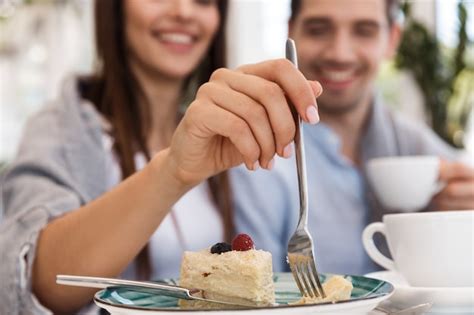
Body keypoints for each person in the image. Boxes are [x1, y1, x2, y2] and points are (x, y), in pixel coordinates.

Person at [0, 0, 322, 313]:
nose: (183, 11)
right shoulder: (60, 130)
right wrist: (173, 171)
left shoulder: (232, 135)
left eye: (202, 0)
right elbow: (29, 283)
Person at [231, 0, 474, 276]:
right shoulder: (257, 155)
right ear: (291, 33)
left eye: (364, 31)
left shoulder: (412, 142)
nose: (340, 53)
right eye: (319, 29)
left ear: (392, 39)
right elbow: (255, 294)